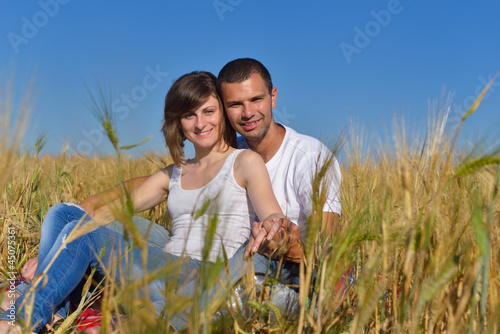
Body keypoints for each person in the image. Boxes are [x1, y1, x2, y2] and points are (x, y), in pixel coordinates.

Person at [0, 71, 285, 334]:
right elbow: (111, 212)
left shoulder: (244, 161)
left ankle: (22, 320)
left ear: (222, 114)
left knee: (83, 235)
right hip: (158, 270)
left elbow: (273, 214)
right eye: (189, 115)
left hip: (201, 278)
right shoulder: (174, 174)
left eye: (209, 111)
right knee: (63, 214)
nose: (200, 123)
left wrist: (271, 227)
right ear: (178, 122)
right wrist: (57, 248)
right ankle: (56, 316)